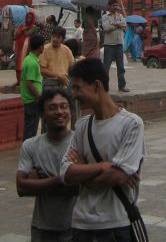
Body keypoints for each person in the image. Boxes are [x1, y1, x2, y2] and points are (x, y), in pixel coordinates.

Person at [60, 58, 145, 239]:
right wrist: (103, 166)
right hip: (80, 224)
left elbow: (119, 175)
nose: (73, 94)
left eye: (77, 87)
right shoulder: (82, 126)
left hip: (116, 223)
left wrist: (84, 171)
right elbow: (65, 172)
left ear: (96, 85)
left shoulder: (131, 124)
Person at [16, 88, 78, 241]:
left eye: (64, 106)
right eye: (52, 107)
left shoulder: (80, 142)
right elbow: (21, 187)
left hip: (77, 227)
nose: (59, 112)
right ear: (42, 115)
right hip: (43, 228)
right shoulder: (31, 145)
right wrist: (65, 178)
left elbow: (82, 186)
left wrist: (41, 180)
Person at [100, 0, 129, 92]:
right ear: (109, 6)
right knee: (106, 67)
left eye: (117, 5)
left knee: (121, 67)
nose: (116, 7)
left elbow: (125, 26)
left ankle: (122, 86)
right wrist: (118, 25)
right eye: (114, 5)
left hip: (119, 44)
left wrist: (114, 24)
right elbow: (106, 27)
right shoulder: (105, 16)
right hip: (109, 45)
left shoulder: (120, 15)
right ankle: (104, 86)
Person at [22, 34, 46, 140]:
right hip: (32, 100)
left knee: (30, 128)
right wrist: (38, 97)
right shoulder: (32, 62)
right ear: (41, 47)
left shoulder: (29, 59)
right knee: (31, 129)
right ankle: (27, 151)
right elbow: (29, 82)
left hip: (30, 100)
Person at [15, 11, 38, 85]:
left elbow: (27, 34)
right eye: (27, 17)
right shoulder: (21, 26)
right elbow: (16, 35)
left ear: (33, 19)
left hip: (29, 48)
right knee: (18, 65)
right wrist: (21, 29)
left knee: (26, 65)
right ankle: (19, 81)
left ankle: (26, 81)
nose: (28, 19)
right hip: (20, 48)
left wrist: (23, 29)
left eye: (30, 18)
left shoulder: (34, 27)